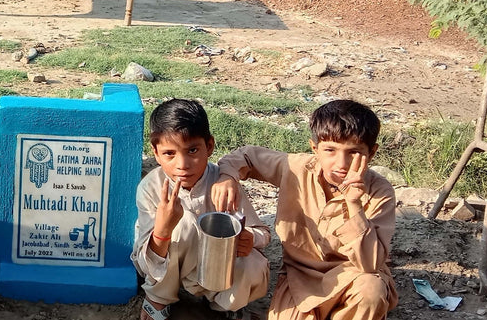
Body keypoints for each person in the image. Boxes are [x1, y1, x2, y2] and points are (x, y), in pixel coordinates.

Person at [212, 99, 397, 320]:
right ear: (315, 148)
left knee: (371, 291)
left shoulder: (380, 191)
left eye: (353, 152)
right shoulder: (296, 168)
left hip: (354, 275)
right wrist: (227, 177)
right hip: (301, 278)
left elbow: (370, 265)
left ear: (372, 152)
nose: (341, 163)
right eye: (330, 150)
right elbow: (246, 156)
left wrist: (354, 205)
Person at [132, 99, 270, 320]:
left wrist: (250, 238)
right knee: (182, 224)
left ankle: (223, 307)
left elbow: (262, 232)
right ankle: (160, 297)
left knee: (255, 265)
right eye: (169, 153)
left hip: (216, 271)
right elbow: (145, 261)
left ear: (210, 146)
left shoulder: (224, 183)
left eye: (193, 150)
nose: (183, 164)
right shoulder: (151, 188)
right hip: (169, 269)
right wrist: (163, 229)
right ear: (156, 153)